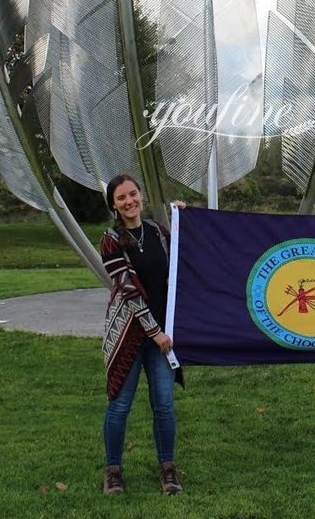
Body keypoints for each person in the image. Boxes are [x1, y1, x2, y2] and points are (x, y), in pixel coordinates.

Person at [100, 174, 185, 496]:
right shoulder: (111, 240)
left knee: (164, 405)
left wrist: (183, 217)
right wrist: (156, 333)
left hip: (163, 333)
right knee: (120, 404)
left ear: (142, 196)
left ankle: (167, 468)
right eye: (121, 198)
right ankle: (113, 470)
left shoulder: (157, 233)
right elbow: (128, 291)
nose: (129, 201)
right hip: (129, 335)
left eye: (133, 194)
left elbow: (186, 252)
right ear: (114, 205)